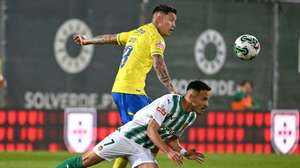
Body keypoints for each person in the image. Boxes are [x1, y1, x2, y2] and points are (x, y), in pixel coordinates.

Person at [73, 4, 177, 168]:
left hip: (126, 91)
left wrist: (88, 41)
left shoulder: (137, 32)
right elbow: (158, 63)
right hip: (130, 93)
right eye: (171, 20)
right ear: (159, 18)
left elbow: (111, 38)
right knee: (140, 136)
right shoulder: (156, 38)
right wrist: (171, 89)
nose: (174, 25)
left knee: (136, 134)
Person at [56, 80, 211, 168]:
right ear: (191, 96)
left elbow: (171, 138)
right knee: (86, 161)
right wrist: (168, 152)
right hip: (127, 137)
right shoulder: (169, 101)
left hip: (143, 149)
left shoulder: (190, 117)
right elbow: (152, 130)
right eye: (204, 99)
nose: (207, 103)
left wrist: (183, 152)